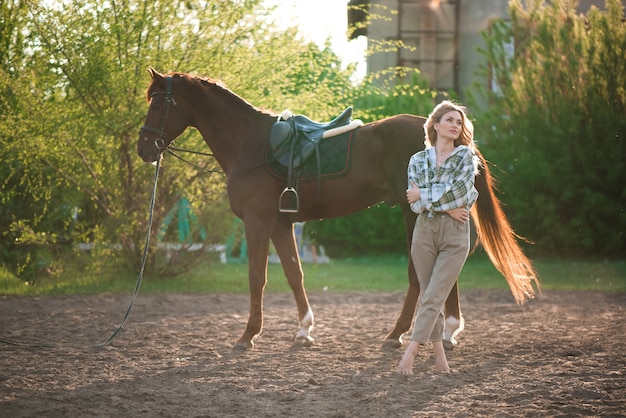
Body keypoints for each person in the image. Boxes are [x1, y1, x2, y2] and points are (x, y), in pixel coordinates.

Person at [396, 100, 479, 375]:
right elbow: (414, 203)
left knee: (432, 294)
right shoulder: (417, 160)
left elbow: (462, 194)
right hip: (424, 231)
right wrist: (439, 200)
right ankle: (440, 356)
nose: (456, 125)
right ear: (435, 124)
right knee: (431, 293)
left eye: (459, 122)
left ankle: (410, 351)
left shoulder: (466, 157)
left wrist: (426, 194)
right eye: (450, 120)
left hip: (456, 235)